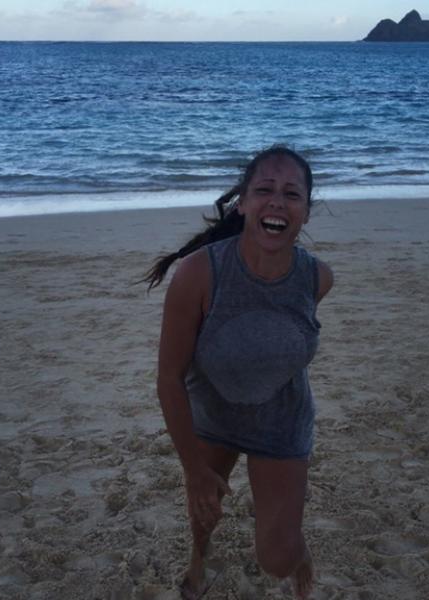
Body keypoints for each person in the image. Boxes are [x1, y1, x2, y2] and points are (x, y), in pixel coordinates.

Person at [144, 146, 333, 599]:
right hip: (212, 414)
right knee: (204, 510)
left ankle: (299, 550)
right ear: (243, 202)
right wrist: (193, 469)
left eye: (292, 194)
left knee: (277, 560)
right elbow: (169, 378)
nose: (277, 201)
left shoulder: (317, 278)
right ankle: (198, 560)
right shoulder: (199, 274)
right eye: (264, 190)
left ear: (307, 211)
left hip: (282, 421)